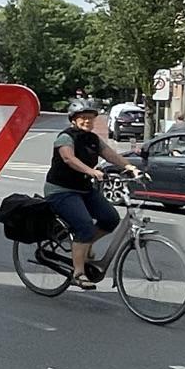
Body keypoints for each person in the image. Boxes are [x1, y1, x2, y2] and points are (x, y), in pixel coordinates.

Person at [45, 98, 144, 287]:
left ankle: (85, 244)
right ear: (74, 119)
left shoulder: (93, 139)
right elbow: (68, 158)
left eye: (90, 118)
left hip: (83, 188)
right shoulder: (66, 137)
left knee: (110, 219)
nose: (87, 121)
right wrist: (90, 171)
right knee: (84, 226)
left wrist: (130, 167)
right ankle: (79, 273)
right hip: (61, 190)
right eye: (82, 118)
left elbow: (111, 155)